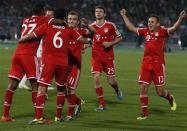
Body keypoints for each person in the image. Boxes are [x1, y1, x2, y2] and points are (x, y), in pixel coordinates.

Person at [19, 8, 92, 124]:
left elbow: (31, 35)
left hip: (50, 63)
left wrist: (22, 39)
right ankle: (58, 117)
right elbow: (84, 40)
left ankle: (39, 117)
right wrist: (90, 41)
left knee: (42, 89)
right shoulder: (70, 30)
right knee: (61, 90)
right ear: (64, 18)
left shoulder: (47, 26)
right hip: (63, 64)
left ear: (54, 17)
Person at [120, 8, 186, 120]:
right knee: (143, 88)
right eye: (149, 22)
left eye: (152, 22)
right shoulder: (145, 31)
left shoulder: (162, 31)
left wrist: (180, 18)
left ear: (158, 24)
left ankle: (170, 98)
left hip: (158, 65)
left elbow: (174, 28)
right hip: (146, 64)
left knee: (160, 92)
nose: (149, 23)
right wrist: (124, 15)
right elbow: (131, 27)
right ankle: (145, 114)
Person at [0, 3, 55, 122]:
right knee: (36, 85)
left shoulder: (26, 20)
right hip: (29, 55)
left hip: (17, 54)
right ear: (42, 12)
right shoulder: (43, 19)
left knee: (12, 85)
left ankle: (5, 115)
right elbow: (54, 22)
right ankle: (38, 116)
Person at [89, 5, 123, 111]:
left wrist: (110, 43)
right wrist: (84, 47)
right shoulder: (91, 26)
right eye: (96, 11)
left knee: (111, 81)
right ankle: (102, 104)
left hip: (108, 57)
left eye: (100, 11)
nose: (98, 13)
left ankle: (118, 90)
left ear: (105, 14)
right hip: (96, 57)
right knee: (96, 78)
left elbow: (120, 37)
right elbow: (89, 40)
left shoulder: (111, 25)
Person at [66, 10, 90, 121]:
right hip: (63, 66)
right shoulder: (63, 31)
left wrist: (85, 46)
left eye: (74, 19)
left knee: (71, 90)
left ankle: (69, 116)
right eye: (70, 19)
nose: (71, 21)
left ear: (78, 21)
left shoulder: (81, 31)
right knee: (63, 91)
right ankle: (79, 102)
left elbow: (95, 36)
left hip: (75, 66)